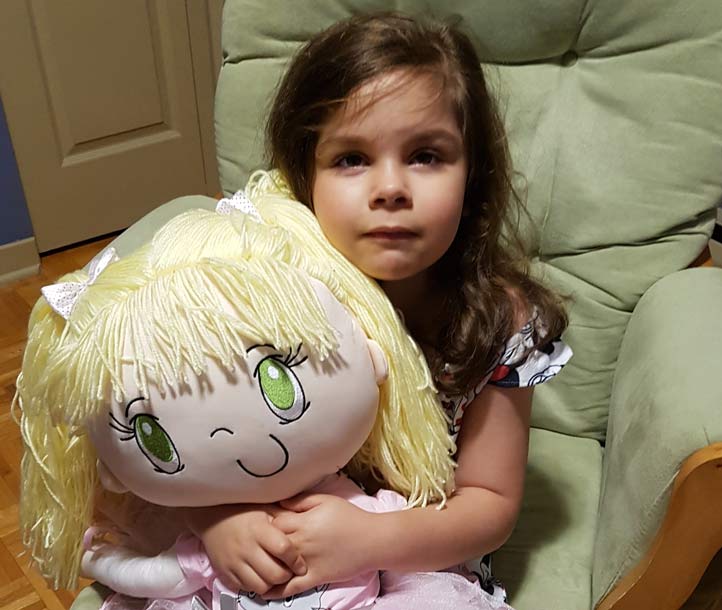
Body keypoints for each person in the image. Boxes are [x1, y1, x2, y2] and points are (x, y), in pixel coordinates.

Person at [190, 10, 572, 606]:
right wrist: (217, 517)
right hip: (276, 537)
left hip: (419, 556)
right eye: (351, 158)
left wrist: (367, 540)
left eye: (426, 155)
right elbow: (193, 439)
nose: (390, 188)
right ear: (304, 176)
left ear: (472, 175)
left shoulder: (502, 322)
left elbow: (489, 506)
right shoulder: (262, 293)